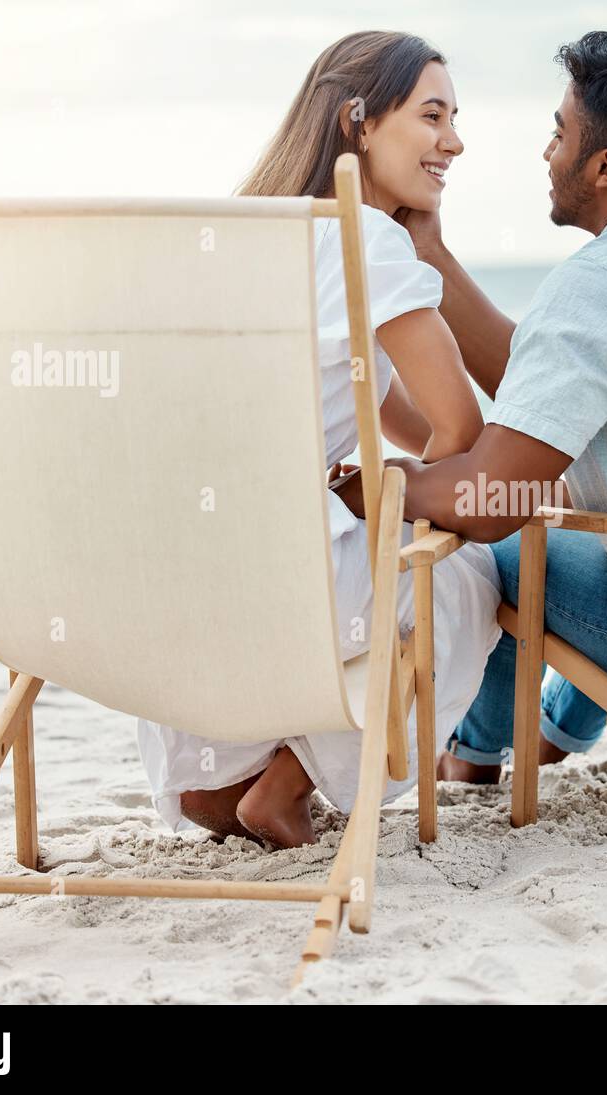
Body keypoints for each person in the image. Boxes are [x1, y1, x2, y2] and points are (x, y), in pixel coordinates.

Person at [337, 30, 607, 782]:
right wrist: (431, 257)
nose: (547, 153)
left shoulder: (602, 283)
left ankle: (473, 757)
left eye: (559, 134)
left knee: (500, 545)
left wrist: (376, 484)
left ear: (604, 166)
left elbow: (494, 497)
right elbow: (542, 384)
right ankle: (555, 731)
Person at [137, 30, 502, 846]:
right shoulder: (363, 240)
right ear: (359, 123)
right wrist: (388, 494)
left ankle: (217, 778)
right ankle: (290, 780)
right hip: (288, 577)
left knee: (355, 537)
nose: (454, 140)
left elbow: (393, 411)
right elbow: (459, 428)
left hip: (167, 574)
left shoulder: (232, 236)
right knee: (463, 573)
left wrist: (371, 468)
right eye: (433, 114)